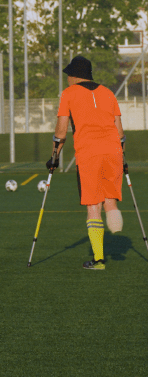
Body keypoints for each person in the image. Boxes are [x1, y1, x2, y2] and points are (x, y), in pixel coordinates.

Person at [49, 56, 124, 270]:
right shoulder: (108, 93)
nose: (67, 79)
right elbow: (119, 131)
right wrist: (123, 159)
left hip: (89, 154)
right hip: (113, 151)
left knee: (93, 205)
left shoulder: (69, 93)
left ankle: (99, 259)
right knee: (109, 198)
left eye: (68, 75)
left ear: (74, 76)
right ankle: (116, 229)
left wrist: (54, 156)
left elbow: (61, 130)